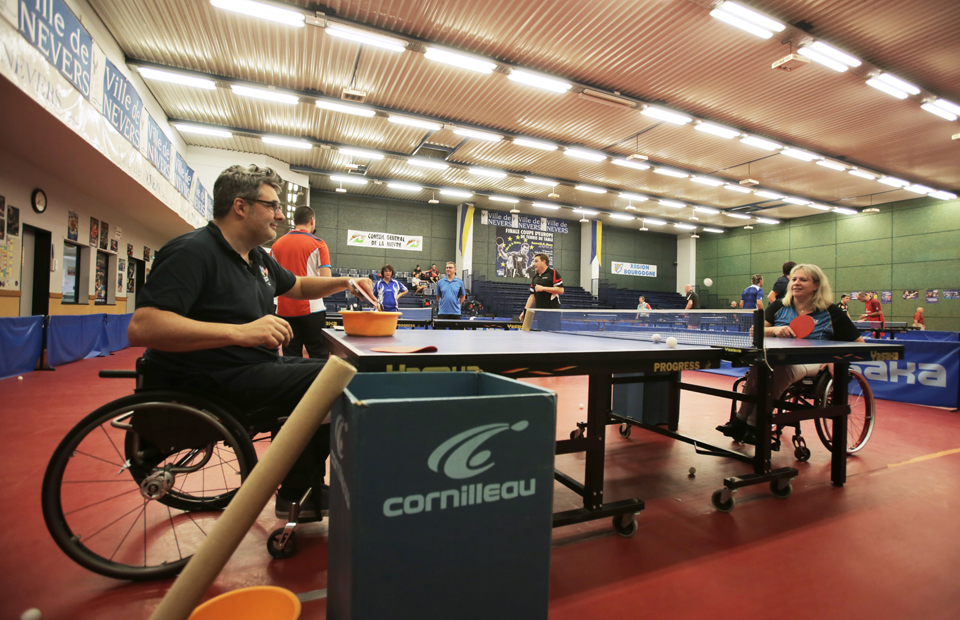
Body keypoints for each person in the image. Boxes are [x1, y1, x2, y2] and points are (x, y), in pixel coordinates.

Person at [127, 164, 375, 520]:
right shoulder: (192, 251)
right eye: (272, 205)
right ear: (240, 206)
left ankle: (299, 491)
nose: (280, 215)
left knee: (339, 371)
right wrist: (239, 332)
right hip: (212, 377)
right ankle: (298, 490)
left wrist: (345, 283)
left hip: (255, 367)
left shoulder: (256, 257)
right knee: (333, 381)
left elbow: (299, 286)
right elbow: (143, 326)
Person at [717, 264, 863, 445]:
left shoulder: (830, 311)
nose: (796, 283)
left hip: (812, 362)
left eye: (803, 279)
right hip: (777, 357)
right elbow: (754, 331)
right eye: (794, 279)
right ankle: (740, 421)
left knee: (780, 369)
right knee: (758, 365)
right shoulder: (780, 306)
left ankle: (756, 426)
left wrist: (834, 359)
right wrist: (776, 330)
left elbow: (858, 344)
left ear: (816, 285)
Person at [269, 205, 331, 358]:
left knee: (290, 358)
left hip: (284, 310)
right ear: (312, 220)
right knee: (319, 357)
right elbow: (326, 280)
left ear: (294, 221)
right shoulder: (319, 244)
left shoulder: (276, 245)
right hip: (313, 310)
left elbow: (269, 279)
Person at [519, 254, 563, 322]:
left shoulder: (553, 273)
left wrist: (543, 288)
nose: (534, 264)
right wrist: (524, 312)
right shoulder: (535, 277)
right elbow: (532, 296)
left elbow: (561, 290)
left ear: (544, 262)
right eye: (534, 262)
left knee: (553, 333)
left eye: (536, 261)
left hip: (553, 313)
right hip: (540, 313)